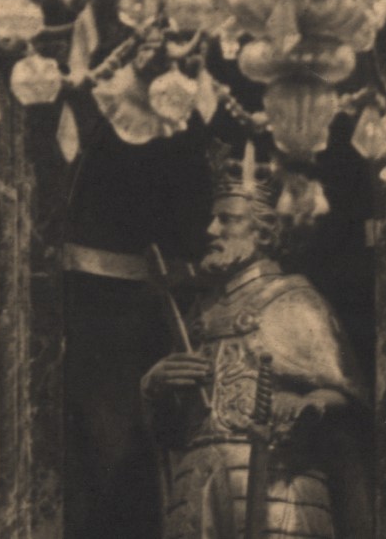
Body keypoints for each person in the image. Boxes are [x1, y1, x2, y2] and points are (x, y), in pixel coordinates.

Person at [141, 147, 372, 539]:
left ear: (263, 231)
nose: (212, 231)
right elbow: (174, 431)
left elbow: (347, 398)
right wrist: (156, 385)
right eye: (214, 218)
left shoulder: (295, 300)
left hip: (275, 486)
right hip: (200, 486)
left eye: (227, 219)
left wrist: (309, 404)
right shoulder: (199, 314)